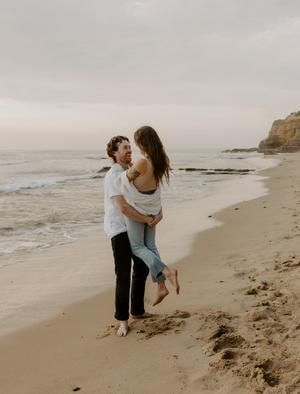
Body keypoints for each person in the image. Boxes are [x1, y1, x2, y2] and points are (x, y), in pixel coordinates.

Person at [103, 135, 162, 337]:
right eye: (124, 148)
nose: (129, 150)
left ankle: (137, 311)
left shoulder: (132, 172)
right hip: (119, 229)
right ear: (114, 153)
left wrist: (156, 212)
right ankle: (122, 320)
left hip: (135, 227)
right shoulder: (113, 176)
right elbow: (123, 208)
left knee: (141, 268)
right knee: (123, 275)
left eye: (130, 147)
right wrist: (147, 220)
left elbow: (143, 196)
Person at [121, 126, 180, 307]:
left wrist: (123, 168)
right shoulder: (162, 160)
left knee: (137, 247)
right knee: (151, 246)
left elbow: (124, 179)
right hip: (152, 207)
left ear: (141, 143)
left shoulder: (142, 163)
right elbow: (154, 186)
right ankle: (161, 286)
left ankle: (167, 271)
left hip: (139, 209)